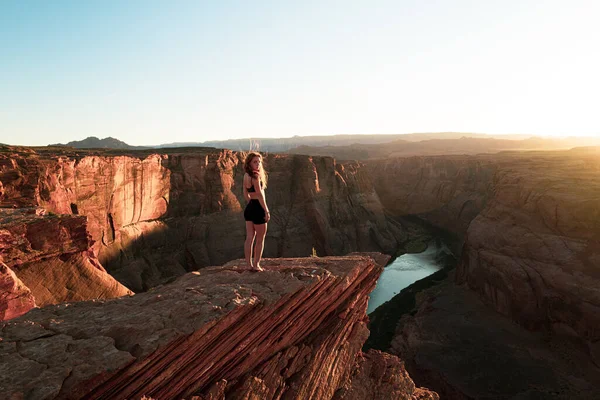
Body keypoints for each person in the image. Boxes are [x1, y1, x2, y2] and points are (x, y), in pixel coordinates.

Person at [243, 152, 270, 271]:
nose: (258, 164)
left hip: (250, 207)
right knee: (260, 238)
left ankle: (248, 265)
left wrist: (250, 203)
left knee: (249, 237)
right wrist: (266, 210)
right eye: (255, 162)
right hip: (258, 208)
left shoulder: (246, 175)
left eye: (259, 162)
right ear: (249, 163)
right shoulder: (256, 176)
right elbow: (259, 194)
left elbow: (245, 193)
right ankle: (256, 265)